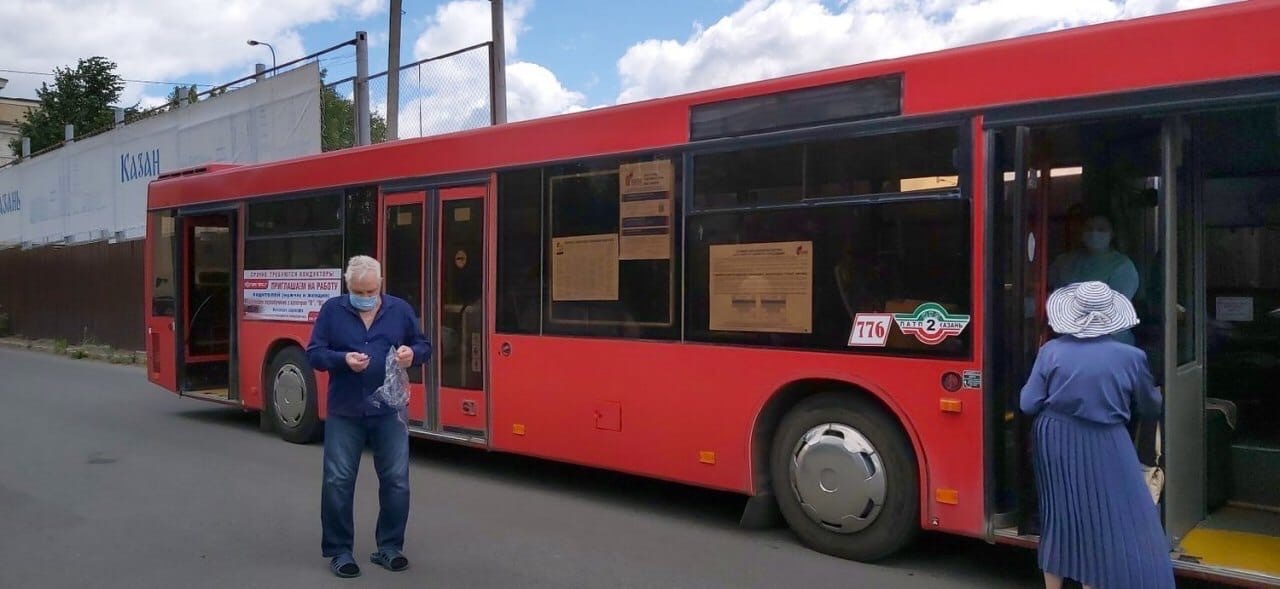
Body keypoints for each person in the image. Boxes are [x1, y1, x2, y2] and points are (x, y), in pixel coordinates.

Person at [1020, 281, 1173, 589]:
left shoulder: (1050, 352)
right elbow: (1149, 406)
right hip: (1107, 440)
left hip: (1054, 438)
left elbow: (1028, 404)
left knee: (1059, 516)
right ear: (1110, 318)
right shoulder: (1131, 357)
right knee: (1102, 518)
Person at [307, 255, 431, 578]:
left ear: (380, 285)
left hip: (389, 411)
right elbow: (314, 354)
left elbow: (423, 345)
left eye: (370, 290)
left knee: (397, 481)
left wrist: (411, 355)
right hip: (345, 410)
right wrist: (342, 359)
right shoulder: (332, 311)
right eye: (358, 290)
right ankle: (339, 551)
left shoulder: (399, 310)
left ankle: (389, 547)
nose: (365, 296)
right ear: (348, 287)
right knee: (337, 481)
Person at [1049, 214, 1140, 344]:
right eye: (1089, 228)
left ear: (1112, 233)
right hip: (1068, 341)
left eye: (1101, 229)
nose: (1094, 233)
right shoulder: (1065, 261)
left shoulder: (1122, 266)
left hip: (1111, 343)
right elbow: (1049, 292)